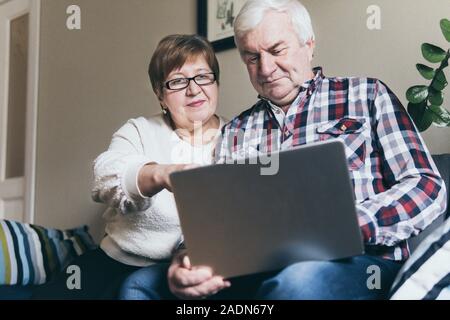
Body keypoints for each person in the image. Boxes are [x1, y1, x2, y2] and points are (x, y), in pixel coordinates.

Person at [166, 0, 447, 300]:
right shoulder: (235, 131)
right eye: (252, 57)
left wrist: (352, 224)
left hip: (362, 264)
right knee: (144, 284)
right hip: (256, 270)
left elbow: (427, 186)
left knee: (298, 282)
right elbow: (211, 221)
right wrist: (185, 261)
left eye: (276, 50)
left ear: (308, 44)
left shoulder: (367, 95)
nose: (265, 68)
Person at [32, 34, 227, 299]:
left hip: (193, 272)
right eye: (178, 81)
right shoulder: (139, 130)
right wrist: (163, 173)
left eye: (203, 76)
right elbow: (106, 178)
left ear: (215, 82)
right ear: (160, 95)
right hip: (117, 264)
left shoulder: (241, 134)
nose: (193, 90)